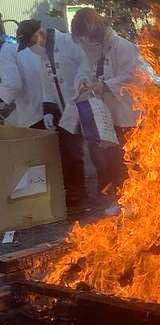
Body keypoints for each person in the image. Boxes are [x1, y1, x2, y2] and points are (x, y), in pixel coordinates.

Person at [68, 8, 140, 215]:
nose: (85, 42)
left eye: (86, 37)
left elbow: (132, 76)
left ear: (94, 32)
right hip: (106, 117)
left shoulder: (122, 46)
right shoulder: (93, 50)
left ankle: (137, 201)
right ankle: (121, 199)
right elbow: (83, 71)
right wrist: (83, 82)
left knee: (130, 160)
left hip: (127, 114)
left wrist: (106, 85)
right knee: (113, 160)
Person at [17, 19, 88, 208]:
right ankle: (76, 194)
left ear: (39, 34)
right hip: (65, 111)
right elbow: (47, 86)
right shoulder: (43, 56)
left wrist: (81, 83)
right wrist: (48, 110)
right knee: (70, 152)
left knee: (99, 150)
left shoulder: (68, 42)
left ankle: (108, 191)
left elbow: (86, 62)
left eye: (31, 43)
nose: (31, 48)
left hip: (84, 102)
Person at [0, 20, 44, 129]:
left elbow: (13, 85)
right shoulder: (20, 49)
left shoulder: (6, 52)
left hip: (35, 116)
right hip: (45, 110)